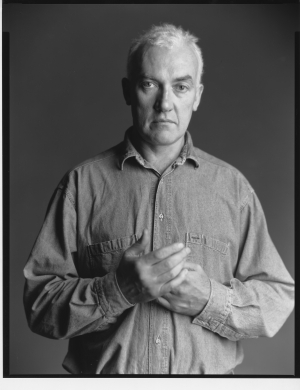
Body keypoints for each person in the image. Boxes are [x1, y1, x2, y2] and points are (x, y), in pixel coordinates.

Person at [23, 23, 294, 375]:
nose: (166, 103)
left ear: (196, 95)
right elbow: (39, 304)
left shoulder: (233, 189)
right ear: (128, 91)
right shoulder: (81, 185)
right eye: (149, 84)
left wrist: (209, 300)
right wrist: (118, 289)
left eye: (180, 87)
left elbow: (277, 298)